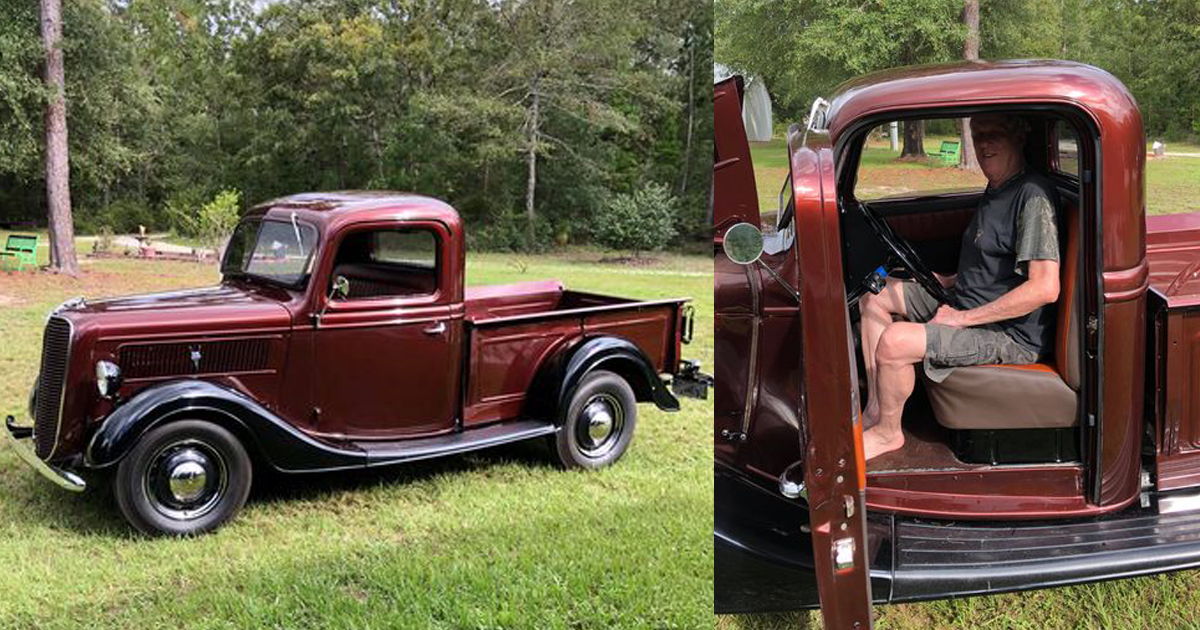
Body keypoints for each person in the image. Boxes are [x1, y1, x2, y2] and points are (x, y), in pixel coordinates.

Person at [859, 113, 1062, 460]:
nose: (984, 144)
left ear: (1018, 136)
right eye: (978, 134)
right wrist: (951, 280)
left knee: (895, 341)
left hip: (1008, 334)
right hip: (967, 301)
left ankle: (887, 433)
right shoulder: (998, 186)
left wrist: (959, 319)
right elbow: (995, 260)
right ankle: (877, 408)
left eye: (994, 133)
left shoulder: (1032, 197)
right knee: (875, 295)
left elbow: (1044, 288)